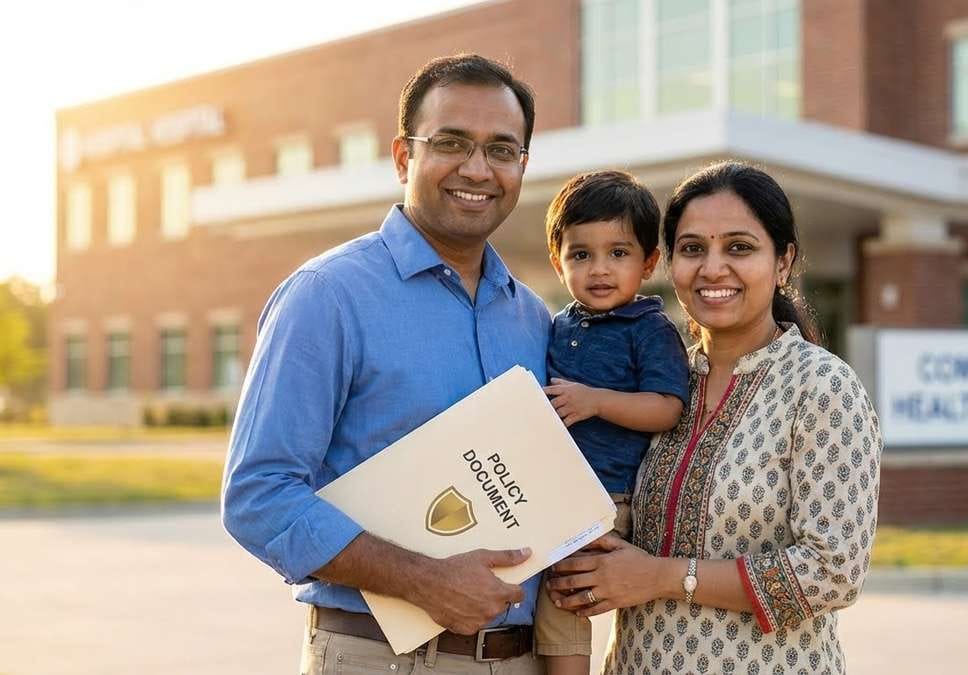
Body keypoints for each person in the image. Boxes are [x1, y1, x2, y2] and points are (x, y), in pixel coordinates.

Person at [222, 54, 550, 674]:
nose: (477, 169)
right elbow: (257, 495)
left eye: (502, 150)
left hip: (520, 661)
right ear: (403, 156)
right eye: (452, 143)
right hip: (377, 657)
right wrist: (422, 579)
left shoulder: (534, 319)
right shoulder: (327, 295)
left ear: (522, 167)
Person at [546, 161, 883, 674]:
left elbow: (831, 572)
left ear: (783, 261)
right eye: (693, 248)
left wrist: (663, 577)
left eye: (739, 247)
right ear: (668, 263)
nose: (712, 268)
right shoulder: (656, 381)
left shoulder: (821, 387)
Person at [536, 170, 690, 675]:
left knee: (563, 597)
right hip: (548, 487)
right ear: (559, 263)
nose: (599, 269)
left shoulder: (649, 328)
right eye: (581, 255)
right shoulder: (560, 324)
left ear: (649, 262)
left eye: (618, 254)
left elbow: (668, 406)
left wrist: (596, 401)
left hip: (605, 497)